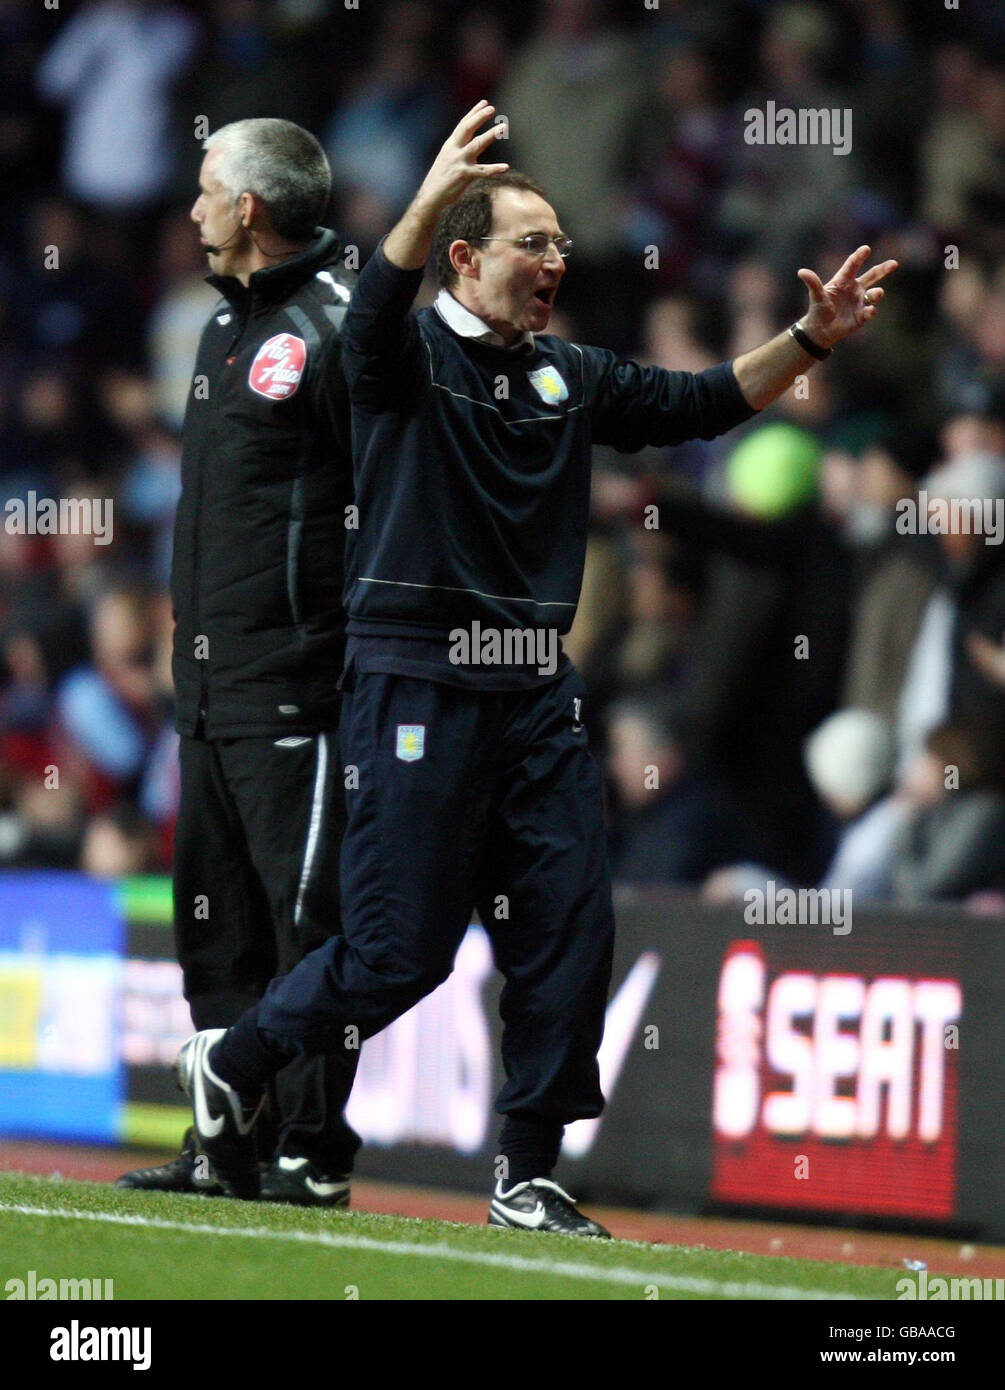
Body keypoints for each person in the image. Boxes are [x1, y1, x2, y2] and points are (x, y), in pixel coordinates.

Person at [174, 102, 896, 1235]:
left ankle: (529, 1170)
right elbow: (368, 317)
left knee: (570, 929)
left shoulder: (570, 376)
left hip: (533, 695)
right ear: (464, 257)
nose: (556, 261)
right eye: (533, 242)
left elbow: (703, 403)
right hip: (412, 682)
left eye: (562, 243)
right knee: (394, 953)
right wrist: (422, 197)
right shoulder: (398, 361)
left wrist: (809, 341)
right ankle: (237, 1057)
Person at [118, 118, 361, 1205]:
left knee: (303, 925)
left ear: (250, 208)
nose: (192, 209)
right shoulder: (225, 329)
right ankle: (229, 1140)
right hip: (207, 688)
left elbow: (390, 500)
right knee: (217, 930)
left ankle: (313, 1150)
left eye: (206, 189)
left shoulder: (339, 325)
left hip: (296, 685)